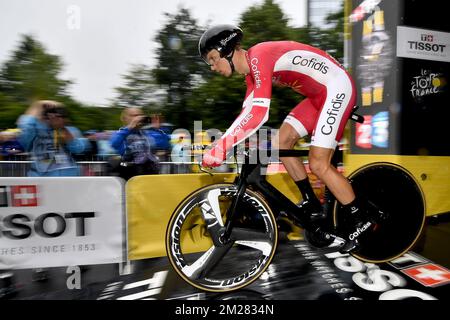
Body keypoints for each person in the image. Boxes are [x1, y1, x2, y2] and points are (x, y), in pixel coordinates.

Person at [198, 25, 373, 253]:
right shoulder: (251, 75)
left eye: (212, 59)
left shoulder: (259, 57)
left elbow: (260, 113)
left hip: (337, 88)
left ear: (227, 50)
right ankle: (311, 201)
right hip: (319, 96)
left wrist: (222, 146)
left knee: (319, 163)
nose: (212, 67)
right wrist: (223, 143)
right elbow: (247, 114)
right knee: (282, 142)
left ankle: (361, 218)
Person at [17, 100, 90, 177]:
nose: (54, 117)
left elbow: (79, 149)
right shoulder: (33, 129)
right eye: (50, 113)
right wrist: (36, 107)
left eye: (59, 115)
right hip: (42, 176)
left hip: (69, 175)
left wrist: (62, 129)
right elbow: (24, 140)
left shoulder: (70, 130)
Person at [109, 107, 159, 180]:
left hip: (148, 173)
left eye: (140, 115)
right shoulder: (120, 133)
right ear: (125, 118)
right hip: (129, 173)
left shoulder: (146, 133)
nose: (139, 118)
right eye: (134, 115)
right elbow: (114, 144)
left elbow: (157, 147)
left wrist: (156, 129)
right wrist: (130, 127)